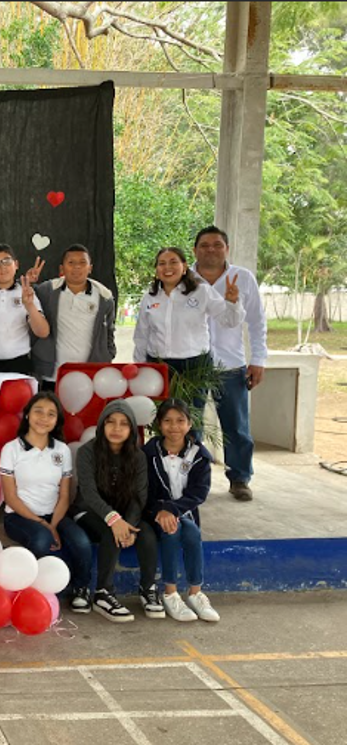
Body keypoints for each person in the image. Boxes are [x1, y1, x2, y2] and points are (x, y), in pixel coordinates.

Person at [0, 392, 93, 614]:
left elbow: (64, 496)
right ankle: (38, 593)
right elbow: (11, 497)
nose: (44, 417)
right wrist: (43, 524)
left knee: (81, 542)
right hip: (19, 516)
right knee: (41, 539)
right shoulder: (11, 449)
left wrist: (53, 523)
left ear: (57, 421)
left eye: (51, 414)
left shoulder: (61, 450)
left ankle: (81, 589)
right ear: (27, 415)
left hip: (56, 514)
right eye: (38, 411)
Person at [192, 226, 267, 502]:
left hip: (231, 365)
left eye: (217, 245)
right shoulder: (184, 277)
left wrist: (258, 360)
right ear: (195, 250)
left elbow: (257, 322)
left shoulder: (243, 278)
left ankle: (239, 478)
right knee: (190, 426)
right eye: (204, 245)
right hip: (192, 365)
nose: (210, 249)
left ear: (227, 248)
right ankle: (192, 480)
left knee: (235, 426)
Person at [72, 401, 161, 623]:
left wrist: (128, 525)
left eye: (123, 424)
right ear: (102, 425)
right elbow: (89, 494)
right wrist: (115, 521)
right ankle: (103, 592)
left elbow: (139, 496)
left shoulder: (138, 456)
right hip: (88, 512)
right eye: (110, 422)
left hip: (122, 515)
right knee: (110, 533)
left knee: (147, 533)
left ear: (131, 429)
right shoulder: (87, 451)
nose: (116, 428)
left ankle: (147, 588)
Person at [133, 247, 244, 415]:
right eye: (162, 263)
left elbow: (230, 321)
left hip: (194, 365)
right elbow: (142, 335)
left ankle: (193, 442)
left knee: (191, 419)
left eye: (173, 262)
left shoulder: (201, 291)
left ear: (184, 267)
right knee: (161, 417)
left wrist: (232, 302)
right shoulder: (149, 297)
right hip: (158, 365)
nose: (167, 268)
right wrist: (141, 366)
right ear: (156, 269)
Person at [143, 399, 220, 623]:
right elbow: (143, 491)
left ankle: (195, 593)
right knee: (171, 531)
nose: (174, 426)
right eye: (167, 421)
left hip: (184, 512)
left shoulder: (199, 455)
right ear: (159, 424)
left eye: (180, 421)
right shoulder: (149, 453)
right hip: (154, 512)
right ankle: (170, 593)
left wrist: (173, 510)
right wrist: (162, 511)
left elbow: (199, 493)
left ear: (189, 424)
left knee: (193, 534)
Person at [30, 245, 117, 389]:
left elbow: (109, 331)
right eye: (71, 263)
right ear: (62, 268)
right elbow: (23, 296)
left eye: (82, 263)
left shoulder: (104, 297)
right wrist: (29, 281)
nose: (77, 267)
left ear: (90, 268)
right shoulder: (47, 291)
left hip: (89, 376)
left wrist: (107, 355)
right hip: (52, 376)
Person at [0, 244, 49, 375]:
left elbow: (43, 332)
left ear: (16, 264)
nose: (2, 267)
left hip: (19, 363)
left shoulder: (26, 292)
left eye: (7, 261)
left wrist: (29, 306)